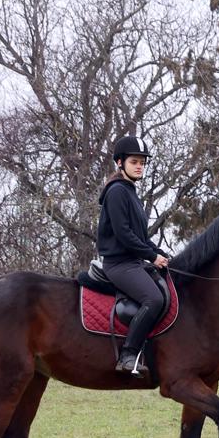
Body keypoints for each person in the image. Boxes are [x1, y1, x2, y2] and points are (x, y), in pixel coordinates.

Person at [97, 135, 172, 376]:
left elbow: (139, 235)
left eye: (142, 162)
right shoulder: (117, 191)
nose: (139, 166)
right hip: (119, 263)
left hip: (132, 260)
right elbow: (123, 234)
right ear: (120, 163)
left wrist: (158, 252)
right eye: (134, 161)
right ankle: (128, 355)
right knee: (154, 299)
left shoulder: (130, 191)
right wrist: (151, 256)